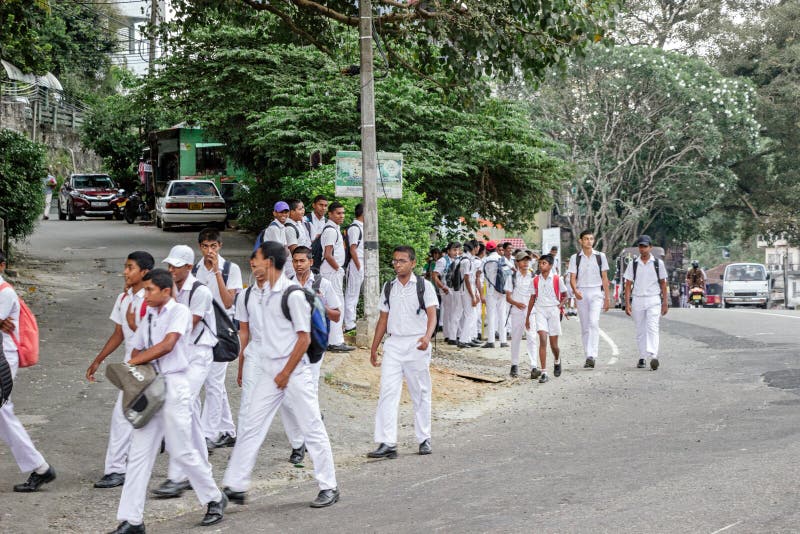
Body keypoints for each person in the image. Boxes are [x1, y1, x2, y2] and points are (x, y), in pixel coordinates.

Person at [223, 241, 339, 508]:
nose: (253, 263)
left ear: (271, 262)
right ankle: (235, 485)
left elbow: (303, 338)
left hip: (295, 371)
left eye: (258, 259)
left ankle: (329, 486)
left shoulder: (293, 295)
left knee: (311, 427)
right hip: (268, 371)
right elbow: (250, 333)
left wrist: (286, 372)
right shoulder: (252, 295)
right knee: (251, 425)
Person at [111, 269, 226, 533]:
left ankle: (214, 497)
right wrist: (137, 362)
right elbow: (138, 346)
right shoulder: (149, 314)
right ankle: (132, 520)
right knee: (139, 454)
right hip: (152, 385)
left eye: (150, 289)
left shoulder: (179, 312)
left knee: (182, 450)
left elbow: (168, 345)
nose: (145, 294)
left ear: (165, 291)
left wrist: (132, 362)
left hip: (176, 385)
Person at [86, 251, 154, 489]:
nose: (125, 272)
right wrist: (98, 359)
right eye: (125, 267)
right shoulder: (124, 298)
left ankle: (116, 469)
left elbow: (153, 337)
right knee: (135, 418)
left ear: (144, 272)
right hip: (132, 367)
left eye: (130, 267)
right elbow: (119, 334)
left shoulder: (151, 298)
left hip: (147, 367)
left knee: (123, 418)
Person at [153, 245, 217, 498]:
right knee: (189, 412)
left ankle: (178, 477)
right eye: (169, 265)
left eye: (175, 266)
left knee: (181, 407)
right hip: (180, 356)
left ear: (189, 267)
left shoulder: (200, 291)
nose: (170, 269)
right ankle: (201, 468)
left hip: (198, 354)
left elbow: (185, 327)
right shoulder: (169, 289)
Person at [368, 245, 438, 459]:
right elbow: (383, 318)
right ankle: (387, 442)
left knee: (420, 392)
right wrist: (374, 347)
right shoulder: (389, 287)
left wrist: (427, 337)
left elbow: (432, 314)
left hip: (417, 343)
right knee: (387, 392)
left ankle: (424, 437)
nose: (397, 264)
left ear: (413, 263)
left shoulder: (424, 287)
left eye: (402, 261)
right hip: (394, 344)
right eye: (395, 261)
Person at [0, 249, 56, 493]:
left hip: (3, 360)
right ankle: (41, 468)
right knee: (4, 416)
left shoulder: (5, 292)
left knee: (4, 414)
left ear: (2, 266)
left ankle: (41, 468)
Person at [281, 245, 342, 464]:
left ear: (311, 262)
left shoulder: (323, 284)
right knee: (287, 399)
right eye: (295, 261)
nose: (298, 265)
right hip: (290, 346)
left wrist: (316, 306)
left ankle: (304, 443)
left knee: (309, 392)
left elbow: (336, 315)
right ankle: (298, 441)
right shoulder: (286, 285)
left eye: (302, 261)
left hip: (314, 347)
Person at [192, 228, 243, 450]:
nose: (209, 251)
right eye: (205, 246)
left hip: (223, 331)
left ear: (220, 246)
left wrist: (216, 274)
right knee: (214, 383)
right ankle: (228, 430)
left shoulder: (231, 269)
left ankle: (208, 434)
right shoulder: (194, 270)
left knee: (213, 383)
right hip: (201, 333)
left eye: (213, 246)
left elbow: (229, 302)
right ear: (200, 247)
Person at [567, 230, 611, 369]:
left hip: (596, 292)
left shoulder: (600, 256)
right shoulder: (576, 258)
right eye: (586, 239)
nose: (589, 241)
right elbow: (572, 277)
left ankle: (593, 354)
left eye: (591, 239)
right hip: (581, 292)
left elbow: (605, 278)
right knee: (585, 325)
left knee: (593, 322)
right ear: (581, 241)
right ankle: (588, 356)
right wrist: (575, 291)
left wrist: (607, 298)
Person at [624, 235, 668, 371]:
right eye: (641, 246)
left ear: (650, 247)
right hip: (638, 299)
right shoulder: (634, 264)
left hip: (653, 299)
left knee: (652, 327)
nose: (643, 249)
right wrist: (627, 303)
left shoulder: (657, 263)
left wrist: (665, 302)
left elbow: (663, 283)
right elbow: (628, 284)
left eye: (645, 246)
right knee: (640, 329)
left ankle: (653, 355)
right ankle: (642, 357)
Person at [526, 255, 567, 384]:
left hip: (553, 311)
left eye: (544, 263)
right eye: (540, 263)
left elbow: (565, 295)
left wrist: (560, 306)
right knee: (542, 339)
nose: (541, 265)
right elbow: (532, 298)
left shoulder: (557, 279)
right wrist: (527, 317)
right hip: (540, 311)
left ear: (550, 265)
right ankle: (544, 372)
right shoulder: (535, 280)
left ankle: (557, 359)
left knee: (554, 345)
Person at [319, 201, 354, 352]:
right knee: (336, 305)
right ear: (330, 214)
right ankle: (335, 341)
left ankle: (334, 339)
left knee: (335, 304)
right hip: (331, 272)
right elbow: (327, 255)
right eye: (338, 213)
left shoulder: (334, 229)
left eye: (343, 213)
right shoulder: (331, 231)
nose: (342, 216)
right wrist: (339, 269)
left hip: (332, 271)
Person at [506, 250, 538, 379]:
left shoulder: (534, 277)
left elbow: (537, 295)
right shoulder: (512, 277)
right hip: (517, 311)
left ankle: (534, 366)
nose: (525, 262)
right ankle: (514, 365)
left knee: (532, 337)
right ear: (517, 262)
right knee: (516, 338)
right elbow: (508, 297)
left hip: (531, 311)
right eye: (523, 260)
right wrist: (516, 303)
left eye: (527, 260)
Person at [481, 241, 508, 349]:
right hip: (502, 290)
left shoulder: (485, 260)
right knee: (502, 315)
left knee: (491, 316)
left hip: (490, 291)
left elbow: (479, 273)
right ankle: (503, 341)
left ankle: (491, 341)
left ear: (487, 250)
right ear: (496, 249)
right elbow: (512, 269)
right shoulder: (502, 259)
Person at [343, 203, 364, 334]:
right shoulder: (355, 228)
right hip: (357, 264)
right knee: (352, 294)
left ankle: (352, 321)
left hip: (361, 263)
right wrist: (359, 266)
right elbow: (353, 249)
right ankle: (349, 324)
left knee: (356, 294)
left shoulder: (362, 227)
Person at [455, 242, 479, 348]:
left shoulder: (464, 260)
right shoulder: (467, 261)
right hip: (467, 291)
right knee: (470, 315)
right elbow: (467, 279)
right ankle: (463, 340)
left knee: (469, 315)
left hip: (465, 290)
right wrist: (473, 295)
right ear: (473, 248)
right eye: (476, 247)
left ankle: (467, 338)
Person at [262, 201, 293, 277]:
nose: (284, 215)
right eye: (281, 212)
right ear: (274, 213)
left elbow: (285, 247)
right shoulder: (274, 228)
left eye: (286, 212)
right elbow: (281, 250)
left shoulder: (281, 227)